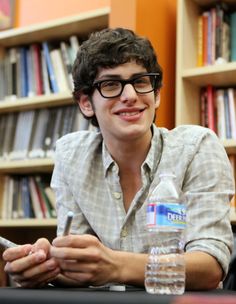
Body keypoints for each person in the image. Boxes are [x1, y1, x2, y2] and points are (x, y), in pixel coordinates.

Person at [2, 28, 235, 290]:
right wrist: (49, 266)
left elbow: (210, 266)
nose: (131, 95)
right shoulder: (71, 155)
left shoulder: (196, 147)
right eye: (111, 84)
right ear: (86, 103)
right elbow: (82, 269)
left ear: (156, 94)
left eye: (141, 81)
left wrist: (115, 265)